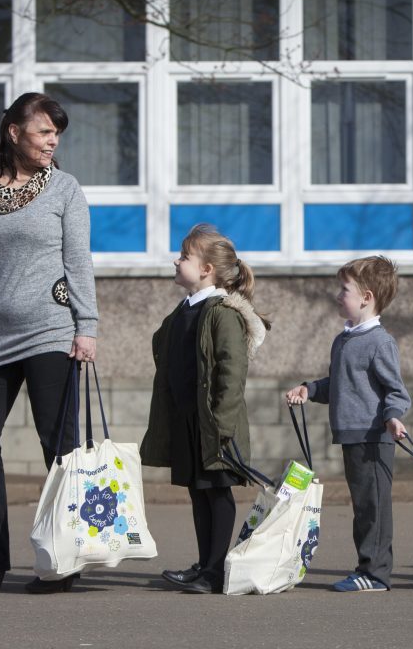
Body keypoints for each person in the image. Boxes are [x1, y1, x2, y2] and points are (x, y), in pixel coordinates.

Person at [0, 92, 98, 593]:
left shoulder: (66, 189)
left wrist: (86, 326)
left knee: (59, 448)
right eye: (44, 132)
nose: (53, 141)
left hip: (52, 332)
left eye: (57, 135)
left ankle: (63, 561)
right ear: (14, 132)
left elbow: (79, 262)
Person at [140, 224, 270, 594]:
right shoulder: (184, 310)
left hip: (214, 424)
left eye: (183, 256)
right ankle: (203, 565)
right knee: (198, 492)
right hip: (187, 420)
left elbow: (233, 370)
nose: (175, 260)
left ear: (206, 269)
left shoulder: (221, 312)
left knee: (216, 492)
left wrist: (223, 423)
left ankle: (214, 572)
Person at [285, 256, 410, 592]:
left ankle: (376, 574)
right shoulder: (344, 340)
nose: (338, 295)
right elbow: (339, 384)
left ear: (365, 297)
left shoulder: (379, 342)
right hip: (352, 436)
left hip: (374, 438)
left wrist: (393, 417)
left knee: (374, 508)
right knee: (362, 507)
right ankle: (367, 568)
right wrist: (309, 390)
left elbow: (396, 390)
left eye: (344, 290)